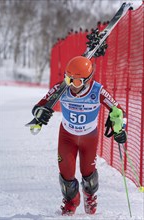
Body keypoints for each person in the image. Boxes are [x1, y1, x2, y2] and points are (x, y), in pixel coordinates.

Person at [31, 55, 127, 216]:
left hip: (88, 138)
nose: (72, 86)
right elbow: (39, 106)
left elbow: (118, 110)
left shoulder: (97, 91)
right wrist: (39, 113)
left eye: (76, 82)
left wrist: (120, 128)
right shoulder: (62, 88)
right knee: (66, 175)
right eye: (69, 80)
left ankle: (89, 196)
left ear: (88, 80)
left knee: (88, 174)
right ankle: (71, 201)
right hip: (67, 137)